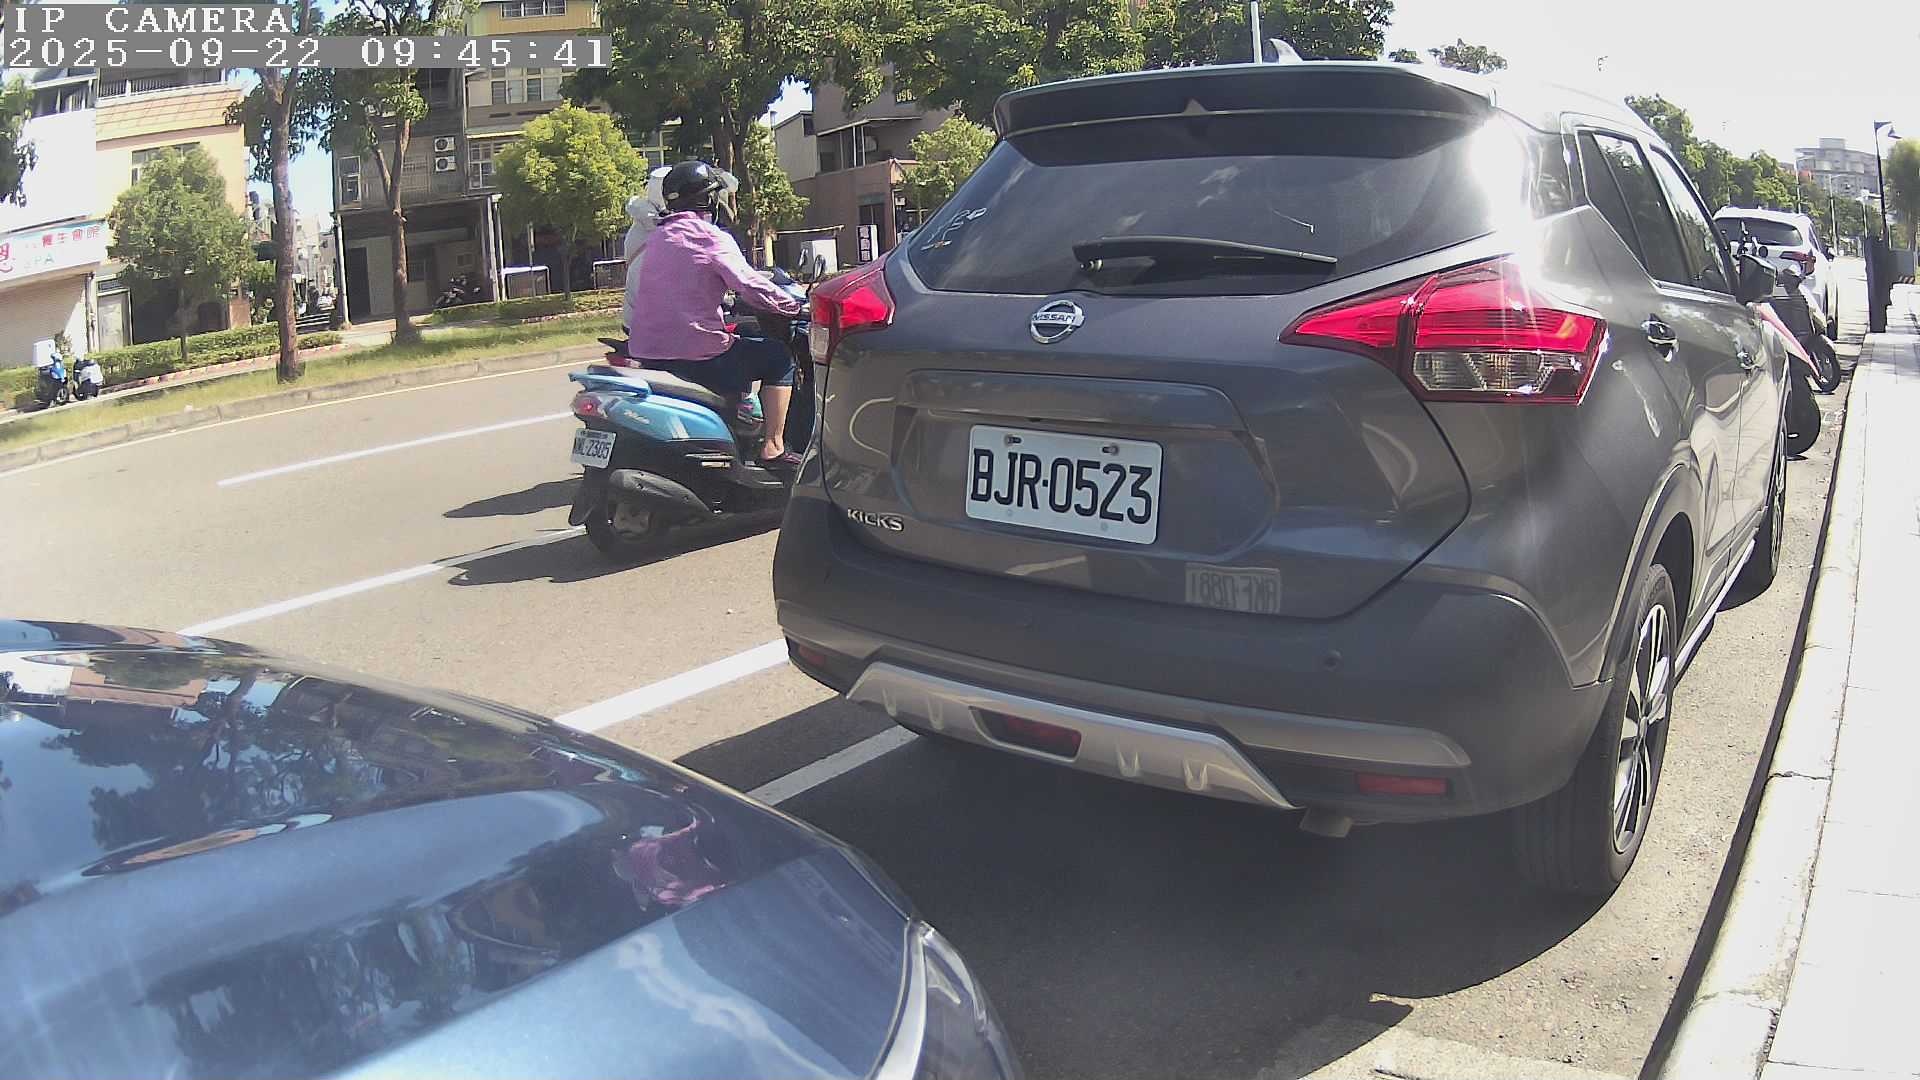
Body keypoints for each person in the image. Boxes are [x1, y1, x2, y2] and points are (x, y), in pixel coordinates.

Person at [626, 160, 805, 468]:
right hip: (697, 357)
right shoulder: (710, 236)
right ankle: (773, 447)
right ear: (707, 199)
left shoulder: (656, 237)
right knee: (778, 357)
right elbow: (750, 284)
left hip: (647, 352)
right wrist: (796, 306)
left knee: (741, 341)